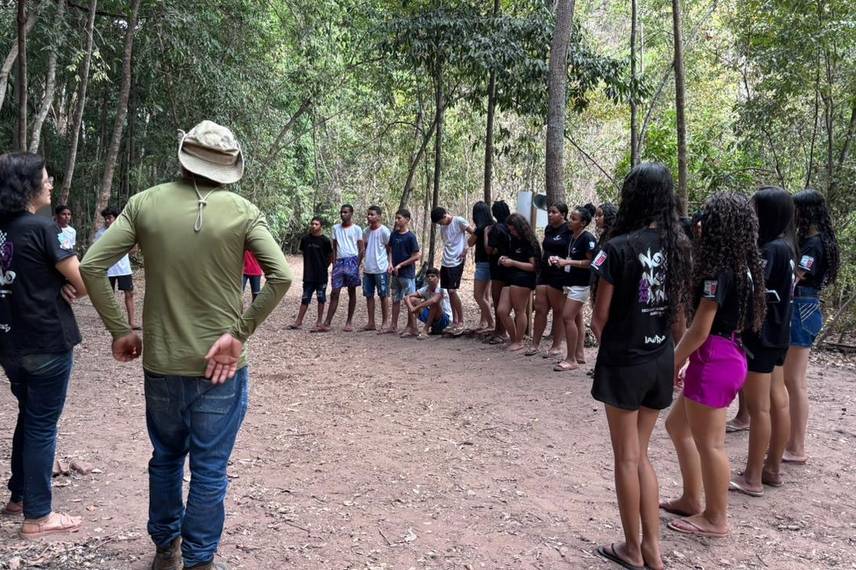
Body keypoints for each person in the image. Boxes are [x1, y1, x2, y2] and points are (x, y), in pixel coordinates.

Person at [80, 120, 293, 570]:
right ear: (229, 168)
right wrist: (239, 333)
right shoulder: (243, 211)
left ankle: (165, 548)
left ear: (183, 158)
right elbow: (280, 276)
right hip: (222, 367)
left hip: (162, 362)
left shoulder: (145, 204)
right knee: (210, 468)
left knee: (166, 458)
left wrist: (121, 329)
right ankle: (199, 560)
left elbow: (93, 265)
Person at [590, 163, 691, 570]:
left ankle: (633, 548)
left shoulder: (615, 249)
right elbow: (679, 314)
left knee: (626, 458)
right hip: (660, 357)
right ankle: (653, 549)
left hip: (625, 362)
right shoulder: (679, 246)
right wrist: (676, 357)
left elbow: (599, 319)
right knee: (642, 454)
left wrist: (613, 354)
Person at [661, 192, 766, 539]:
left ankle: (716, 517)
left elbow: (698, 329)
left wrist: (672, 362)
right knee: (677, 426)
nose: (699, 221)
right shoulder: (742, 266)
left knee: (711, 444)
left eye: (706, 215)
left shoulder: (719, 271)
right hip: (722, 355)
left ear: (720, 225)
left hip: (715, 360)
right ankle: (691, 499)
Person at [0, 152, 87, 539]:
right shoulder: (42, 228)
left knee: (29, 414)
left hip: (9, 343)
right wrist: (68, 284)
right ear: (28, 186)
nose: (50, 184)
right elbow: (83, 281)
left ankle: (19, 495)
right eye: (46, 178)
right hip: (46, 341)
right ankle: (38, 516)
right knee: (41, 424)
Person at [729, 187, 795, 497]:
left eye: (754, 210)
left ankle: (753, 476)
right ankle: (772, 469)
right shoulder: (786, 247)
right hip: (779, 334)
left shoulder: (769, 250)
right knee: (778, 400)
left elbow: (754, 290)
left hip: (762, 335)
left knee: (760, 409)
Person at [782, 189, 839, 465]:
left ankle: (796, 447)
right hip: (807, 306)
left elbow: (796, 277)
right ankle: (792, 442)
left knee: (794, 381)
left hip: (802, 306)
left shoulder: (814, 244)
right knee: (794, 381)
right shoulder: (816, 241)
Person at [552, 204, 597, 372]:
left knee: (567, 317)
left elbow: (591, 262)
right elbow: (570, 258)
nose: (570, 221)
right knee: (577, 317)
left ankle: (571, 359)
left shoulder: (587, 238)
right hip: (569, 282)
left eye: (574, 219)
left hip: (580, 284)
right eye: (570, 218)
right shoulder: (573, 237)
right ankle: (579, 354)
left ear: (583, 223)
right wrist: (559, 261)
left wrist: (568, 262)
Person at [527, 203, 569, 358]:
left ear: (563, 214)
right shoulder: (548, 229)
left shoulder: (568, 230)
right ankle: (535, 344)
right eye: (549, 212)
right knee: (540, 309)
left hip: (559, 273)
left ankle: (556, 346)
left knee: (558, 310)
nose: (550, 214)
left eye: (554, 212)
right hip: (545, 272)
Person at [496, 214, 540, 352]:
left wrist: (513, 263)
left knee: (519, 310)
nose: (512, 232)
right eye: (510, 230)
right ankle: (514, 338)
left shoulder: (530, 242)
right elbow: (512, 256)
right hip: (510, 277)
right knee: (502, 310)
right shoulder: (513, 240)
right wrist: (504, 258)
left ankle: (519, 341)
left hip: (523, 279)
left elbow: (533, 266)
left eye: (514, 229)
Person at [431, 206, 474, 333]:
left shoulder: (459, 221)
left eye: (441, 222)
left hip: (457, 260)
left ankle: (461, 321)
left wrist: (466, 248)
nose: (441, 224)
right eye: (439, 223)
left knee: (452, 291)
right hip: (446, 261)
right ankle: (454, 321)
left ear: (445, 215)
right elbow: (447, 243)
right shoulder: (442, 227)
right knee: (448, 292)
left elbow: (474, 233)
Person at [96, 206, 139, 330]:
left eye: (109, 218)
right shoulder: (100, 233)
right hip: (108, 269)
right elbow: (97, 251)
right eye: (105, 218)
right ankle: (111, 322)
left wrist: (126, 250)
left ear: (116, 218)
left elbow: (134, 248)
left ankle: (132, 322)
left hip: (123, 268)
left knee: (129, 294)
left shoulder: (124, 230)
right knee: (109, 296)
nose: (107, 220)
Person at [322, 205, 363, 332]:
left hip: (352, 260)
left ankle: (349, 322)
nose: (342, 214)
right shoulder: (335, 228)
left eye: (345, 212)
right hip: (339, 262)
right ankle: (327, 322)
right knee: (335, 292)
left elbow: (361, 249)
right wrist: (334, 263)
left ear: (351, 213)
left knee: (351, 291)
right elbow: (334, 247)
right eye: (341, 212)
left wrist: (356, 264)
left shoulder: (357, 229)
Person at [290, 217, 333, 331]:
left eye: (316, 224)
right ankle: (298, 321)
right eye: (312, 224)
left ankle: (319, 321)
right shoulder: (305, 239)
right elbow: (304, 253)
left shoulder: (325, 241)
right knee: (305, 297)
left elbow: (330, 256)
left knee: (321, 298)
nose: (313, 226)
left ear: (321, 226)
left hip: (321, 276)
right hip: (308, 275)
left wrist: (324, 266)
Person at [387, 208, 421, 335]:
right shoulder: (394, 235)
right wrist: (390, 263)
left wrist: (401, 265)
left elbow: (416, 256)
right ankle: (393, 325)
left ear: (407, 220)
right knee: (395, 299)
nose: (397, 221)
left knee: (410, 300)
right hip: (395, 274)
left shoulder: (411, 237)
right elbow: (390, 250)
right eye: (396, 218)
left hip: (407, 274)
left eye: (399, 218)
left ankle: (411, 326)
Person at [361, 205, 392, 332]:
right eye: (368, 214)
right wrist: (360, 263)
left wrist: (390, 263)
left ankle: (385, 322)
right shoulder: (365, 232)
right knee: (369, 295)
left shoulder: (384, 231)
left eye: (372, 214)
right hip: (368, 268)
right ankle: (371, 322)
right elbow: (364, 248)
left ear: (378, 216)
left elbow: (390, 249)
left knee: (383, 295)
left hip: (381, 268)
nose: (369, 217)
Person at [484, 201, 511, 344]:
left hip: (498, 268)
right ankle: (499, 330)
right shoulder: (512, 227)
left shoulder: (496, 229)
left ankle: (501, 331)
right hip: (511, 266)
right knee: (505, 301)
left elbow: (489, 250)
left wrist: (486, 234)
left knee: (498, 300)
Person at [402, 267, 452, 338]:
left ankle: (425, 330)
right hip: (433, 321)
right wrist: (411, 307)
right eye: (428, 276)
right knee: (413, 300)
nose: (430, 278)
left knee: (434, 303)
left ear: (438, 278)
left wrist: (416, 308)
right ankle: (414, 328)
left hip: (444, 320)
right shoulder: (425, 289)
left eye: (433, 276)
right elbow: (407, 297)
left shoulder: (441, 289)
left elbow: (434, 300)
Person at [468, 201, 495, 333]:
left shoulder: (480, 228)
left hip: (483, 264)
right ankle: (483, 322)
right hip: (493, 263)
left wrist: (475, 232)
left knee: (478, 295)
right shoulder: (494, 225)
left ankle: (491, 322)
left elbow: (470, 242)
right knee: (485, 295)